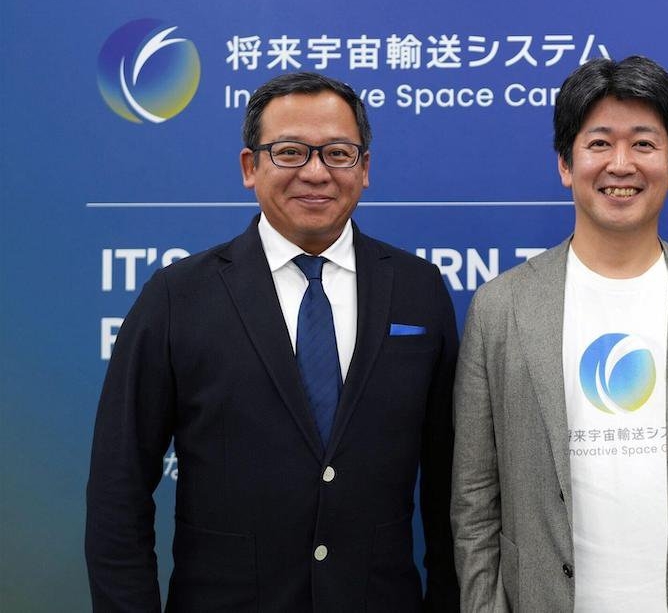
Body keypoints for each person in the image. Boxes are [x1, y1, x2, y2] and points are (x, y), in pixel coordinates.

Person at [85, 72, 459, 611]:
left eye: (338, 153)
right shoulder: (177, 297)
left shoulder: (418, 290)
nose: (315, 172)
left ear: (364, 168)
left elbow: (452, 486)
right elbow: (118, 490)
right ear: (249, 167)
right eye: (289, 152)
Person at [451, 56, 668, 611]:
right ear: (565, 163)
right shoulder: (501, 310)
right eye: (599, 143)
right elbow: (474, 501)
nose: (621, 164)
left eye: (643, 144)